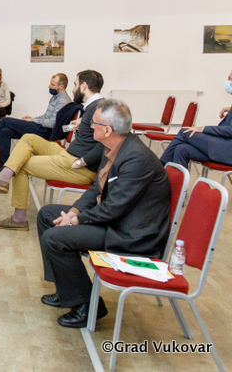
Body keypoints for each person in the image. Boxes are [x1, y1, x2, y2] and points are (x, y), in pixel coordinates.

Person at [37, 99, 171, 328]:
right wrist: (73, 212)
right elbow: (96, 190)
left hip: (129, 234)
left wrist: (75, 221)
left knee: (54, 238)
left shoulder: (136, 158)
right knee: (47, 215)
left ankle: (88, 305)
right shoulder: (113, 148)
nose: (89, 126)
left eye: (94, 123)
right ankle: (67, 288)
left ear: (107, 130)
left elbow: (114, 207)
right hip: (116, 221)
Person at [0, 70, 105, 231]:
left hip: (79, 166)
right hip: (69, 154)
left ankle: (19, 219)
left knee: (20, 165)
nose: (73, 89)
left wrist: (82, 161)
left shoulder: (99, 109)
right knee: (29, 138)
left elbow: (105, 144)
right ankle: (3, 177)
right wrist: (81, 122)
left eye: (75, 85)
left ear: (84, 86)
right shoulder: (95, 107)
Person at [0, 73, 71, 171]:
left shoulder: (63, 101)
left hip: (45, 132)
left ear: (61, 87)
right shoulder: (56, 97)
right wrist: (33, 118)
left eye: (53, 85)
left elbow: (53, 123)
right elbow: (46, 117)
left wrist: (33, 120)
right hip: (41, 127)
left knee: (5, 121)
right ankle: (2, 166)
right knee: (5, 131)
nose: (49, 86)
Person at [160, 69, 232, 168]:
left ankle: (159, 168)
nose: (228, 83)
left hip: (227, 151)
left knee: (184, 132)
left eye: (230, 79)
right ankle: (176, 177)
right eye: (229, 78)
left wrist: (203, 129)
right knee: (181, 149)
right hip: (223, 147)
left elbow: (230, 131)